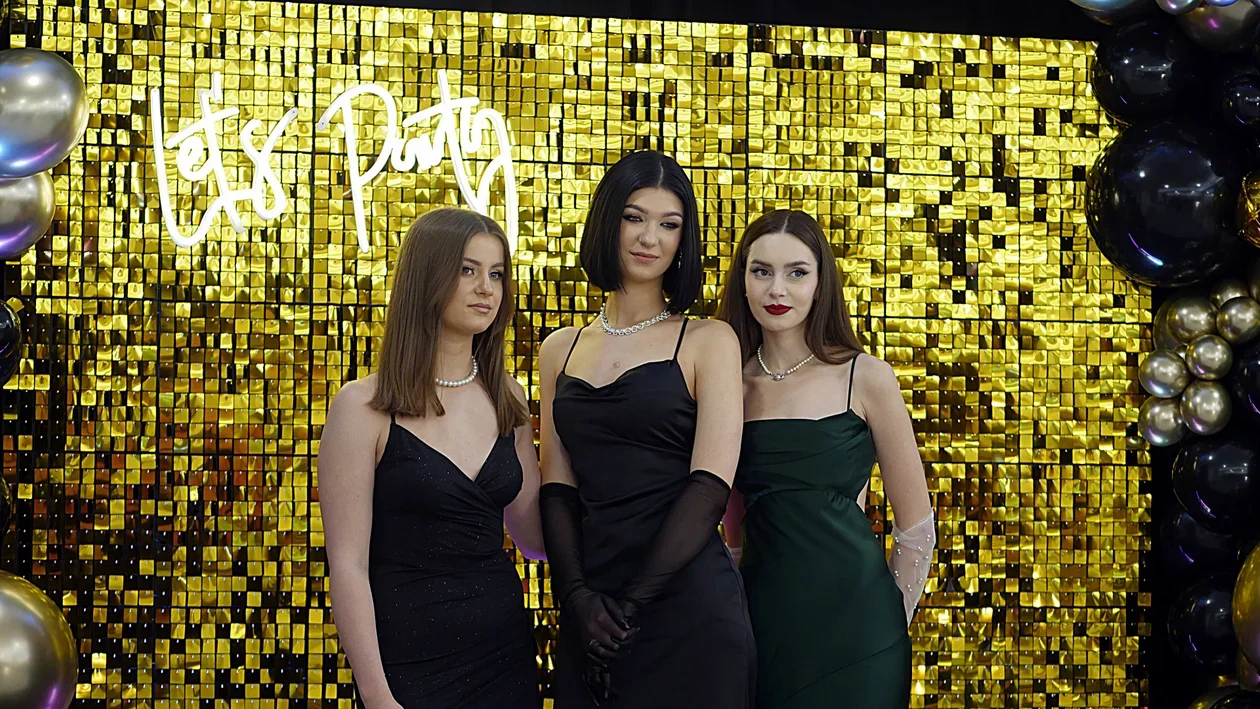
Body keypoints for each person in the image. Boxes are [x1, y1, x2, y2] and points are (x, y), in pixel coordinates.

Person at [537, 150, 755, 708]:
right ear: (607, 221)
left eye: (669, 224)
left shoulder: (709, 340)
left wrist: (630, 608)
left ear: (685, 239)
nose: (649, 238)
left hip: (687, 609)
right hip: (592, 612)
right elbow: (557, 489)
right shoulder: (559, 349)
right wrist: (577, 600)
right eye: (634, 217)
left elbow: (710, 486)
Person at [318, 208, 545, 709]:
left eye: (497, 274)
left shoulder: (508, 397)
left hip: (503, 654)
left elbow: (533, 537)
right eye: (467, 270)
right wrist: (376, 694)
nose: (486, 288)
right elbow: (348, 566)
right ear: (427, 276)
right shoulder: (362, 407)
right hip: (407, 663)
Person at [716, 209, 936, 709]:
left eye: (797, 272)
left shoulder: (866, 376)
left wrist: (886, 621)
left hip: (862, 633)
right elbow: (733, 535)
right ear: (743, 282)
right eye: (761, 271)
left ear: (821, 284)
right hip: (765, 627)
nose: (777, 289)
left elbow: (916, 526)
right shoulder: (727, 385)